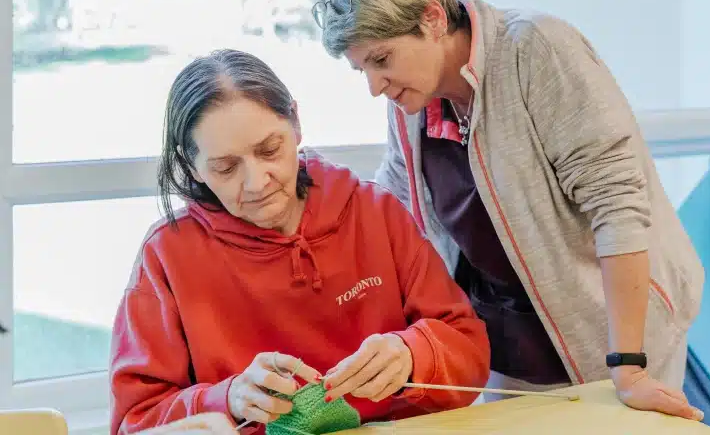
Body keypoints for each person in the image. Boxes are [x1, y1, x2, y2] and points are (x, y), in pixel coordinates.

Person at [312, 0, 706, 421]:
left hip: (617, 338)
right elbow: (390, 204)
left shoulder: (534, 50)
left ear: (433, 19)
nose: (375, 86)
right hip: (510, 344)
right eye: (361, 70)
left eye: (381, 59)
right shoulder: (412, 102)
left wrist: (629, 367)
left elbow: (617, 206)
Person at [108, 49, 490, 435]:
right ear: (192, 167)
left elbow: (469, 350)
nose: (257, 182)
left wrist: (414, 353)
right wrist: (226, 399)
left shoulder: (375, 212)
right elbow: (134, 422)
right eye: (225, 167)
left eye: (269, 150)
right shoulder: (167, 256)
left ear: (296, 123)